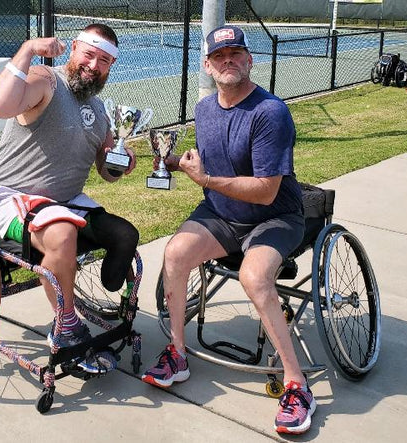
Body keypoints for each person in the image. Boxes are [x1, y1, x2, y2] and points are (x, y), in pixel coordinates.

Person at [141, 25, 315, 435]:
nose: (228, 61)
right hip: (221, 215)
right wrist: (169, 163)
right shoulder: (204, 109)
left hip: (275, 217)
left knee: (255, 277)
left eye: (236, 54)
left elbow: (267, 190)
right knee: (175, 253)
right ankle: (177, 353)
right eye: (219, 56)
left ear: (250, 60)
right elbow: (211, 160)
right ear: (207, 65)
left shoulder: (270, 112)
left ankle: (296, 383)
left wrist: (205, 181)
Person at [0, 24, 139, 371]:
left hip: (65, 202)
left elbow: (105, 172)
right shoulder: (45, 80)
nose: (94, 66)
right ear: (74, 49)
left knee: (125, 234)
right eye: (89, 55)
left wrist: (120, 162)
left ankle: (111, 297)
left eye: (105, 61)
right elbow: (0, 105)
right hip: (11, 198)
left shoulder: (99, 111)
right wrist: (28, 49)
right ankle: (65, 326)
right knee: (63, 232)